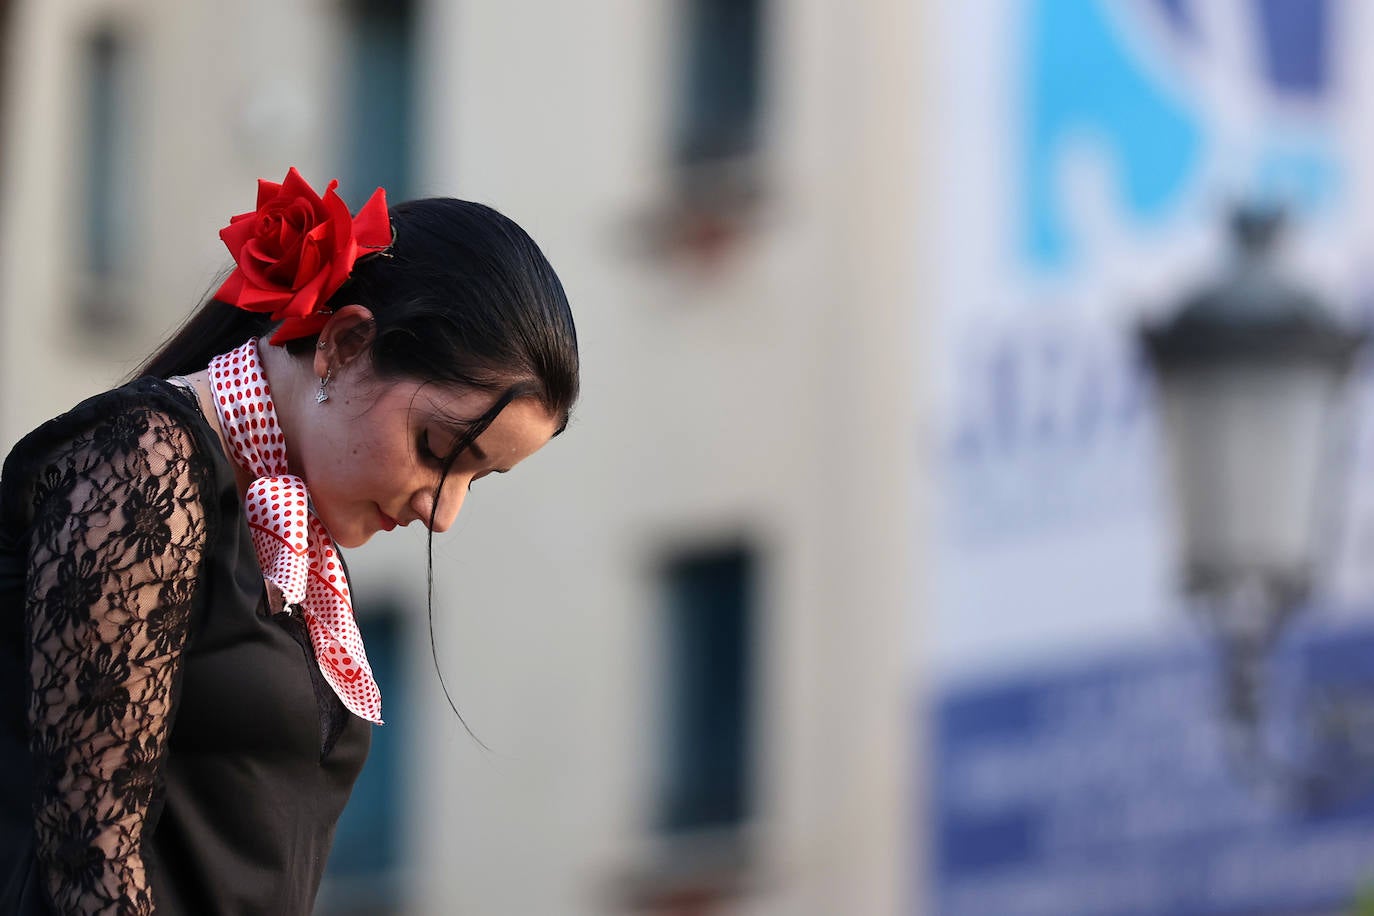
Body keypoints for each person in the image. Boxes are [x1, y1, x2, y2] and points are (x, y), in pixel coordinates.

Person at [0, 168, 580, 914]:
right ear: (345, 342)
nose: (444, 513)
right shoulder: (144, 462)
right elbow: (88, 860)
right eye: (438, 450)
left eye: (481, 478)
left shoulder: (293, 539)